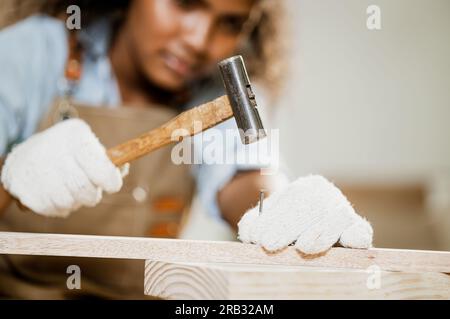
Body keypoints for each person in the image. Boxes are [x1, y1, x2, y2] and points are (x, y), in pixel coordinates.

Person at [0, 0, 372, 299]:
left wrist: (284, 205)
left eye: (229, 23)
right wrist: (11, 179)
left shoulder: (214, 92)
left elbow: (247, 178)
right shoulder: (28, 53)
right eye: (185, 3)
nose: (198, 40)